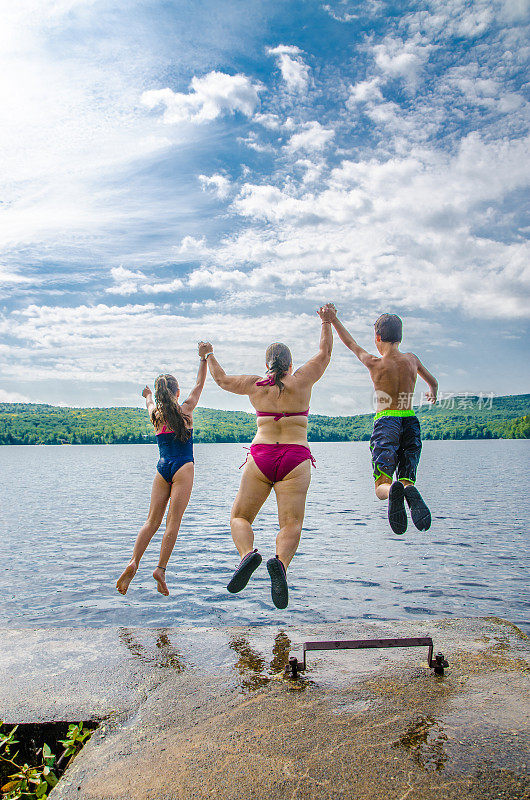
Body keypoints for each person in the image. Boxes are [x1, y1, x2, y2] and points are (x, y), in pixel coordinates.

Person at [198, 314, 333, 609]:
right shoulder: (302, 379)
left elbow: (221, 380)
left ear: (267, 364)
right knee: (291, 523)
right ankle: (280, 565)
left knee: (240, 517)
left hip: (260, 456)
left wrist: (208, 355)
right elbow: (324, 354)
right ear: (290, 364)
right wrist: (326, 321)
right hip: (295, 457)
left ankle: (247, 555)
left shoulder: (254, 384)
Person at [323, 305, 437, 535]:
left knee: (381, 485)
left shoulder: (374, 363)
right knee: (407, 480)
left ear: (377, 337)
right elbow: (432, 382)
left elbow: (352, 345)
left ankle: (391, 489)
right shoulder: (412, 360)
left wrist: (333, 320)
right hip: (410, 423)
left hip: (387, 423)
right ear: (400, 337)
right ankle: (406, 488)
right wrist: (432, 393)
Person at [116, 351, 207, 596]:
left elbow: (148, 401)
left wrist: (147, 394)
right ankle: (160, 569)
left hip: (162, 467)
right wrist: (203, 358)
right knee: (172, 522)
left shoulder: (155, 415)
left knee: (151, 521)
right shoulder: (186, 410)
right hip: (183, 467)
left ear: (158, 395)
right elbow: (199, 385)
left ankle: (133, 561)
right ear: (177, 393)